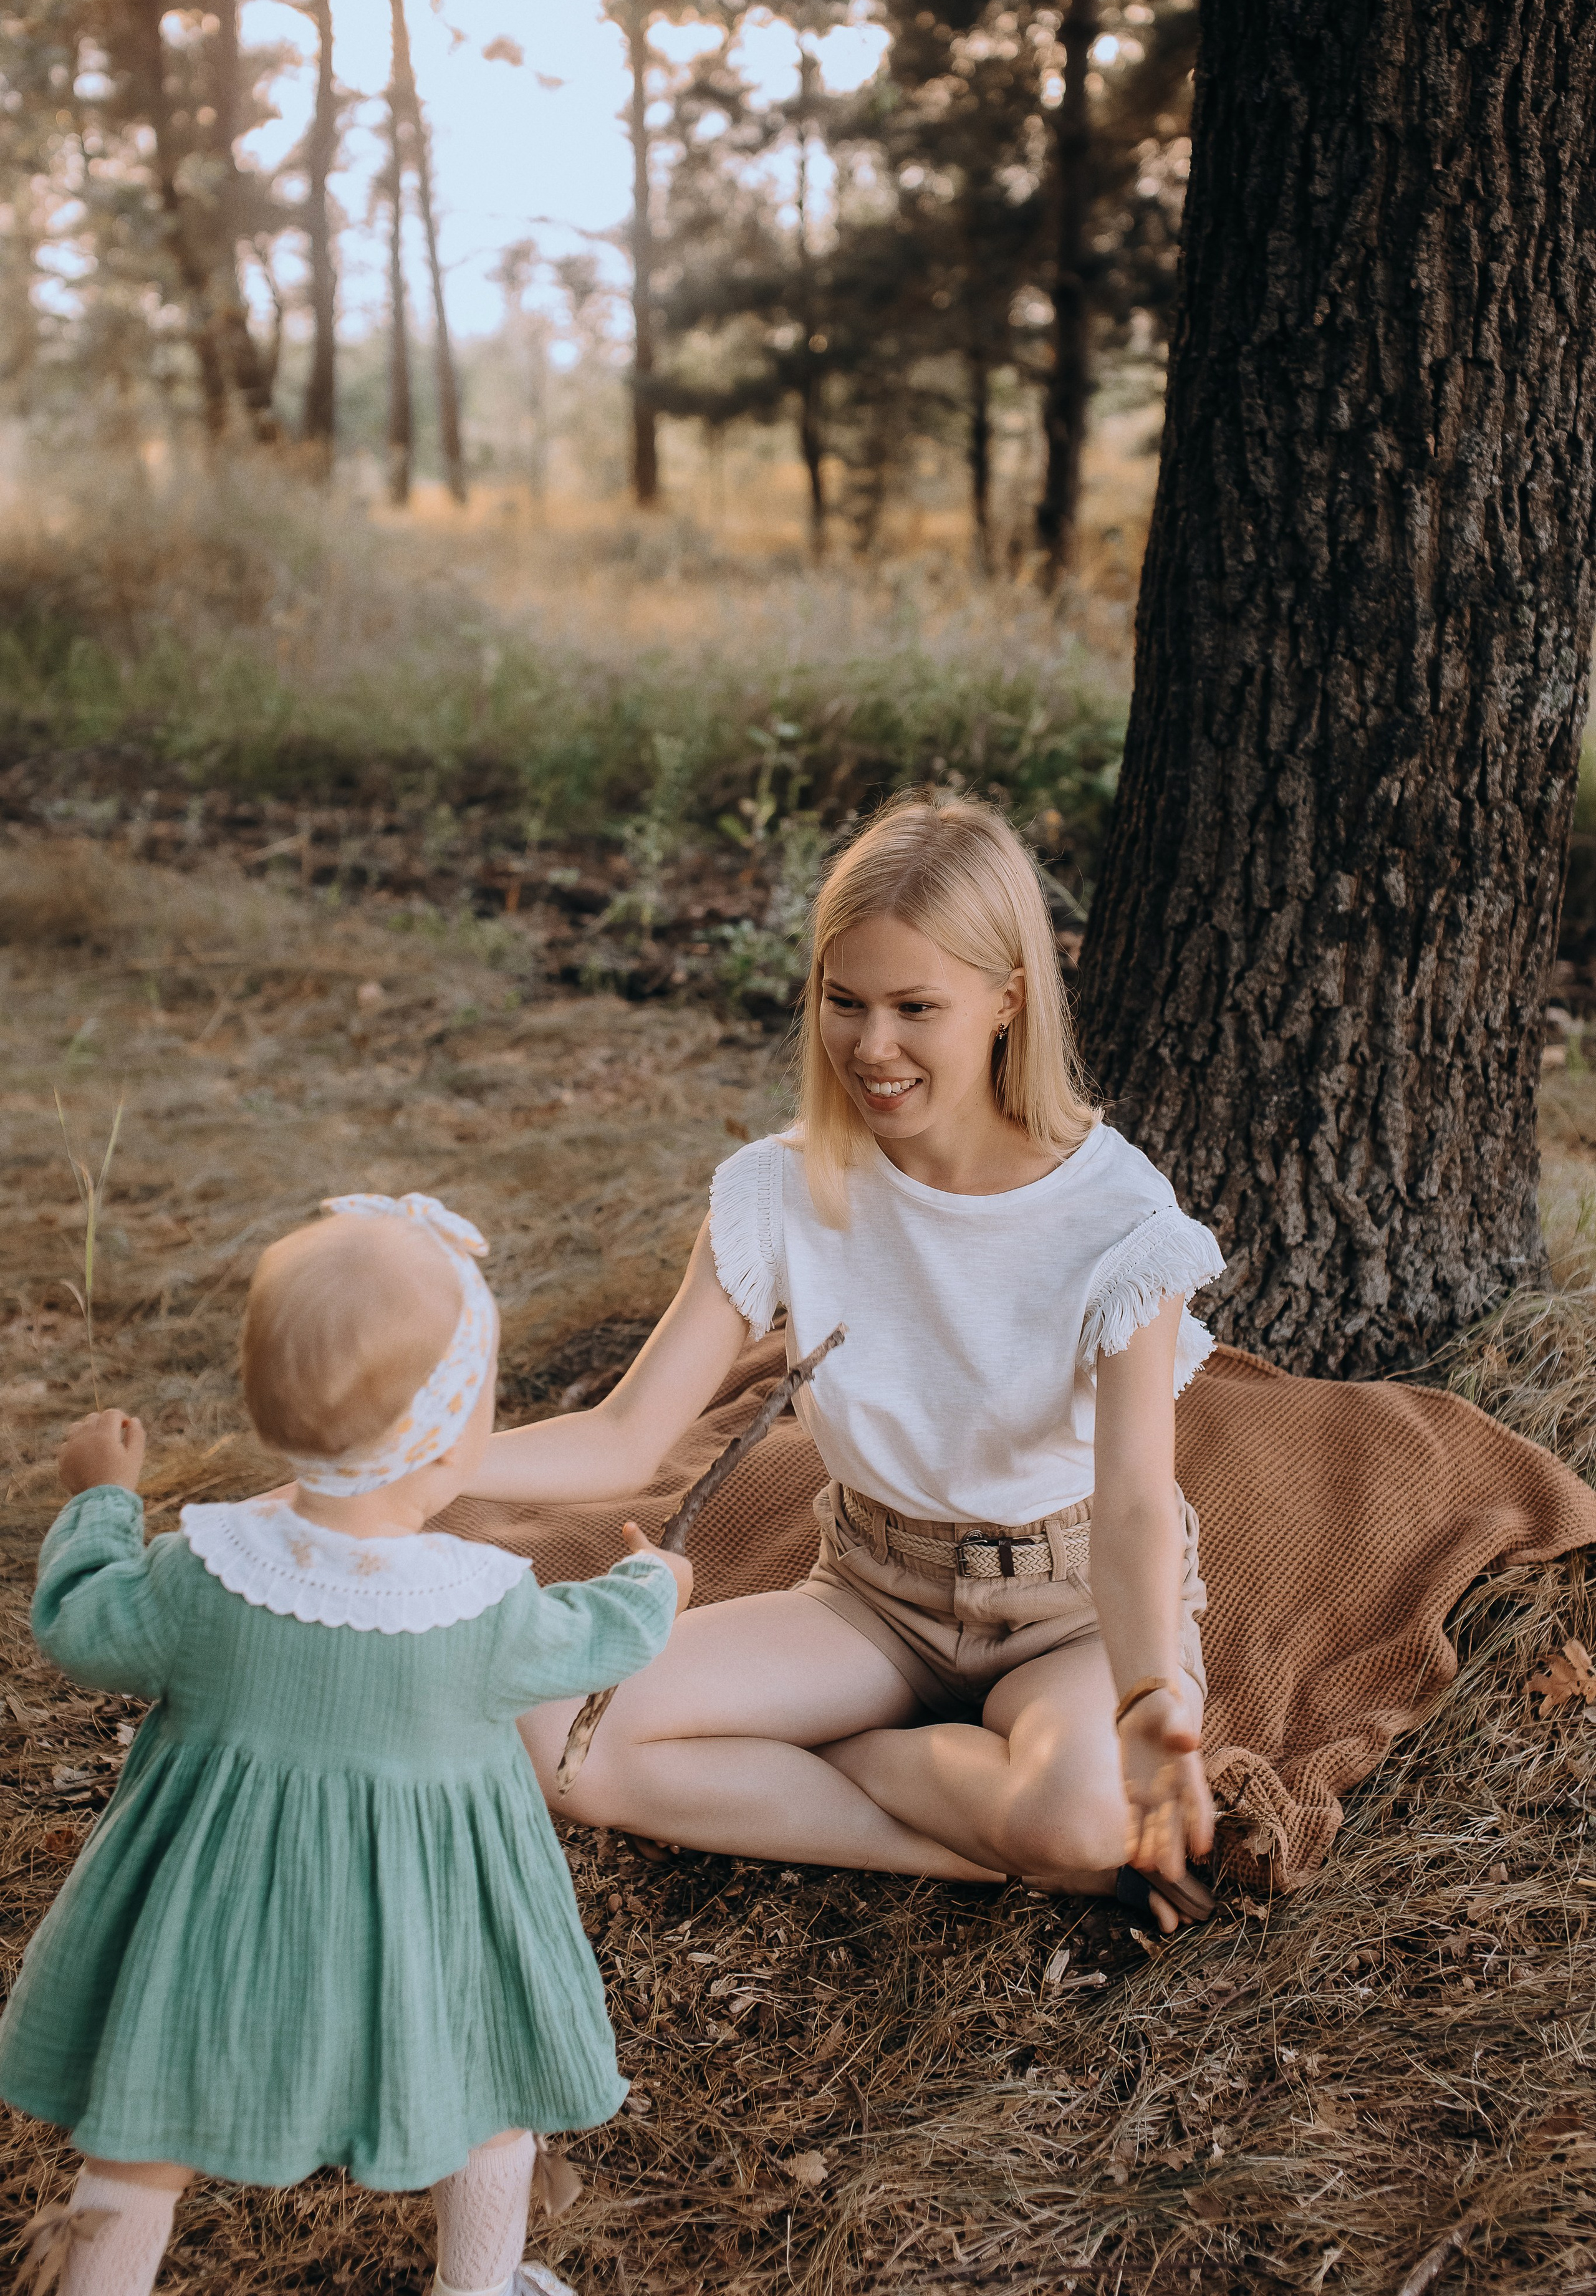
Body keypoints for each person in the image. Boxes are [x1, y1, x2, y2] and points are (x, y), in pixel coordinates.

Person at [473, 792, 1226, 1934]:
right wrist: (426, 1466)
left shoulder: (1117, 1215)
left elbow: (1132, 1504)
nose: (873, 1047)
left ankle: (896, 1774)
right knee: (555, 1736)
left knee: (1081, 1816)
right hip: (875, 1596)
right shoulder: (781, 1189)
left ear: (1009, 999)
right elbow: (628, 1435)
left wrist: (1146, 1693)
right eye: (846, 1002)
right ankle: (963, 1821)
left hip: (1071, 1607)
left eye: (916, 1008)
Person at [1, 1193, 688, 2296]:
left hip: (214, 1930)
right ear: (455, 1431)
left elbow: (82, 1622)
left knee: (142, 2130)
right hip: (429, 1930)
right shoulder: (481, 1608)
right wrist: (656, 1582)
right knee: (488, 2103)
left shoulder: (203, 1572)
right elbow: (600, 1636)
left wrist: (104, 1504)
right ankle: (477, 2288)